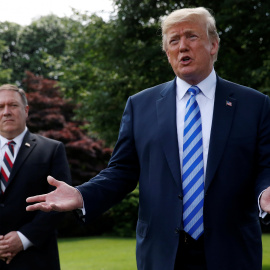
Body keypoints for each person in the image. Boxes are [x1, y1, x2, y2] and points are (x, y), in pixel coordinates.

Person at [26, 7, 270, 270]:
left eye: (191, 37)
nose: (182, 47)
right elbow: (122, 171)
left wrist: (265, 191)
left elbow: (265, 165)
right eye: (173, 41)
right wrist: (82, 195)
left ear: (213, 45)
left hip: (233, 253)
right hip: (162, 254)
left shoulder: (254, 104)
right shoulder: (140, 105)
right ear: (167, 53)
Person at [0, 84, 71, 270]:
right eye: (0, 107)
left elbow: (60, 203)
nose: (6, 112)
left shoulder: (52, 150)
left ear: (26, 110)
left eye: (13, 105)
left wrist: (24, 238)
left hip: (36, 259)